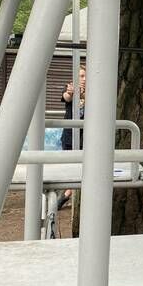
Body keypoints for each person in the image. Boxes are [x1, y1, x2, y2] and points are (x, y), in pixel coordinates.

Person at [57, 65, 85, 210]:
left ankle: (65, 196)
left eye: (86, 76)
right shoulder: (69, 88)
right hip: (69, 137)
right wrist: (71, 93)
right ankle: (65, 194)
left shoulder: (95, 92)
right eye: (81, 76)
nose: (84, 79)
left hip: (85, 140)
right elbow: (66, 97)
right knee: (69, 168)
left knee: (82, 169)